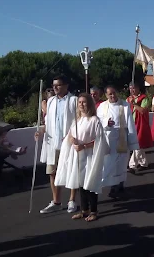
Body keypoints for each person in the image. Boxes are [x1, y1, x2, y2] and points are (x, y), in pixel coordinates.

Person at [55, 93, 109, 222]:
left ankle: (94, 211)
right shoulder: (76, 121)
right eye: (79, 102)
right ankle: (84, 210)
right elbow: (69, 135)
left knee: (90, 183)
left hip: (89, 156)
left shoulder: (94, 120)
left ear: (89, 104)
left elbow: (99, 141)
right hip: (77, 156)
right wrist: (72, 139)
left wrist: (84, 146)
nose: (81, 104)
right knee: (80, 184)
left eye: (84, 102)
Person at [36, 75, 79, 214]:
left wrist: (72, 136)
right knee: (52, 172)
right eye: (54, 85)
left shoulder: (74, 100)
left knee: (72, 170)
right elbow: (48, 122)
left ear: (66, 86)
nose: (55, 87)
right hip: (52, 142)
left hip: (68, 141)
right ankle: (56, 201)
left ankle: (72, 200)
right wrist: (41, 131)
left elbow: (78, 120)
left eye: (58, 85)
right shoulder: (51, 101)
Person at [97, 86, 139, 198]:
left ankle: (120, 186)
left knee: (121, 163)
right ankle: (112, 187)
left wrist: (133, 141)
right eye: (110, 94)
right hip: (108, 140)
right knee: (110, 164)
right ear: (106, 95)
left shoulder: (124, 105)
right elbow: (97, 120)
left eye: (114, 93)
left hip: (121, 138)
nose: (112, 96)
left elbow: (130, 123)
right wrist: (106, 122)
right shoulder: (102, 106)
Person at [127, 83, 152, 173]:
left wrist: (134, 104)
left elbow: (143, 111)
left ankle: (132, 164)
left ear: (138, 88)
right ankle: (143, 163)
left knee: (137, 144)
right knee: (136, 145)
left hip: (140, 123)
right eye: (130, 88)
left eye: (133, 88)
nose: (132, 90)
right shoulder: (128, 99)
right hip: (131, 124)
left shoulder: (144, 98)